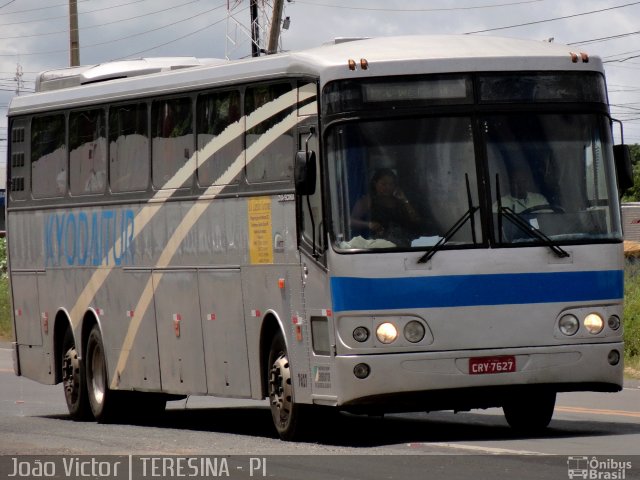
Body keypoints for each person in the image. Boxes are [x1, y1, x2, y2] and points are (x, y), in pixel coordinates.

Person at [351, 168, 421, 246]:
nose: (388, 187)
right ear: (375, 183)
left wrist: (405, 200)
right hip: (379, 246)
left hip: (403, 245)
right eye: (384, 184)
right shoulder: (368, 200)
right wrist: (369, 224)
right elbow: (351, 221)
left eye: (391, 184)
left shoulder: (400, 201)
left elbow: (416, 220)